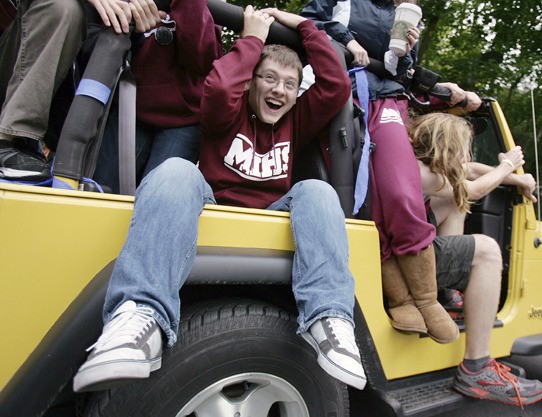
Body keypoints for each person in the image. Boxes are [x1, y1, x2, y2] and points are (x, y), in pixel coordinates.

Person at [73, 6, 367, 393]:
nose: (279, 90)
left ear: (297, 95)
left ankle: (330, 319)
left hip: (272, 212)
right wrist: (252, 41)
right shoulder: (227, 111)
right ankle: (139, 317)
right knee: (176, 171)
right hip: (213, 203)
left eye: (289, 84)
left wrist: (305, 26)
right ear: (251, 83)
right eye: (269, 78)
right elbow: (219, 86)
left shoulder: (298, 120)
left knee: (317, 190)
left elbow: (335, 85)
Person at [301, 0, 480, 343]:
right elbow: (308, 22)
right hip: (340, 96)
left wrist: (407, 52)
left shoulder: (402, 13)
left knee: (400, 189)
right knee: (366, 204)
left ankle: (427, 300)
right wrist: (347, 42)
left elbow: (400, 74)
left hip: (386, 100)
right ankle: (401, 300)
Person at [408, 111, 542, 407]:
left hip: (408, 254)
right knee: (486, 249)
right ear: (448, 145)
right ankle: (476, 367)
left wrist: (515, 179)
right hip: (407, 262)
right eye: (465, 146)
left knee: (455, 203)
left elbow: (468, 170)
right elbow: (474, 187)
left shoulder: (423, 168)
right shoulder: (424, 174)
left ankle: (445, 291)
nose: (467, 153)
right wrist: (507, 164)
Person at [0, 0, 162, 182]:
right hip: (9, 68)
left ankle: (28, 147)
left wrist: (133, 24)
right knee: (62, 7)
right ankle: (7, 141)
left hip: (74, 116)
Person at [91, 0, 223, 194]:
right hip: (128, 106)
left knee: (161, 193)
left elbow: (203, 61)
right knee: (102, 189)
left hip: (183, 118)